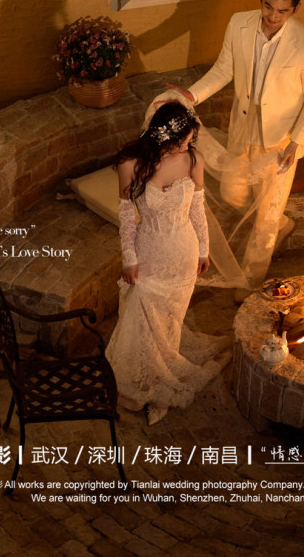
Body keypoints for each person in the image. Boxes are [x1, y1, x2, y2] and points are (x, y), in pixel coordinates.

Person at [175, 0, 304, 288]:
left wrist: (296, 142)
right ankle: (281, 223)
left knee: (266, 220)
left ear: (296, 9)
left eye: (282, 11)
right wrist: (191, 96)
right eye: (268, 7)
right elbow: (223, 70)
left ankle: (249, 281)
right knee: (231, 192)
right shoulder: (238, 23)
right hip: (242, 125)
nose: (273, 16)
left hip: (282, 138)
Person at [105, 100, 226, 426]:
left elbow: (197, 210)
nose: (186, 147)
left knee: (171, 320)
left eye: (189, 141)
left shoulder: (193, 160)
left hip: (183, 254)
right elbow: (126, 216)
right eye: (181, 142)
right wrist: (129, 258)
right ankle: (140, 382)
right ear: (163, 137)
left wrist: (203, 250)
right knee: (141, 312)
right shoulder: (131, 164)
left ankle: (159, 378)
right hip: (149, 253)